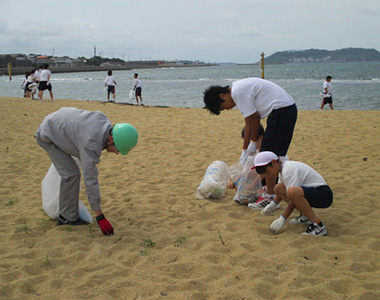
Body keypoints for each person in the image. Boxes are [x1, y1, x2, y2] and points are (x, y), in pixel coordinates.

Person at [36, 107, 138, 236]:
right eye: (117, 149)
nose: (116, 153)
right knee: (71, 174)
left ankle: (68, 212)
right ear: (111, 139)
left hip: (57, 126)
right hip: (47, 136)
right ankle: (66, 218)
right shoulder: (91, 143)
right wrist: (99, 215)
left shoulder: (104, 122)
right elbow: (90, 180)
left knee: (72, 172)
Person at [203, 78, 297, 210]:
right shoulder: (238, 90)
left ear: (222, 95)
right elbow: (248, 123)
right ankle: (272, 192)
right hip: (284, 111)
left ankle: (270, 197)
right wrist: (244, 149)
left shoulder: (238, 93)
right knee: (273, 155)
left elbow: (255, 119)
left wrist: (253, 143)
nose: (228, 109)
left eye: (224, 107)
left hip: (282, 111)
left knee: (267, 157)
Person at [252, 151, 333, 236]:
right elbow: (281, 191)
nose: (268, 176)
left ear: (274, 162)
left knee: (292, 192)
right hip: (312, 192)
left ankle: (318, 226)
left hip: (324, 194)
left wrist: (282, 219)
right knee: (278, 188)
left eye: (268, 172)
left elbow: (293, 196)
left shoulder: (288, 170)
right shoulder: (282, 170)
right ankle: (305, 216)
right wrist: (273, 204)